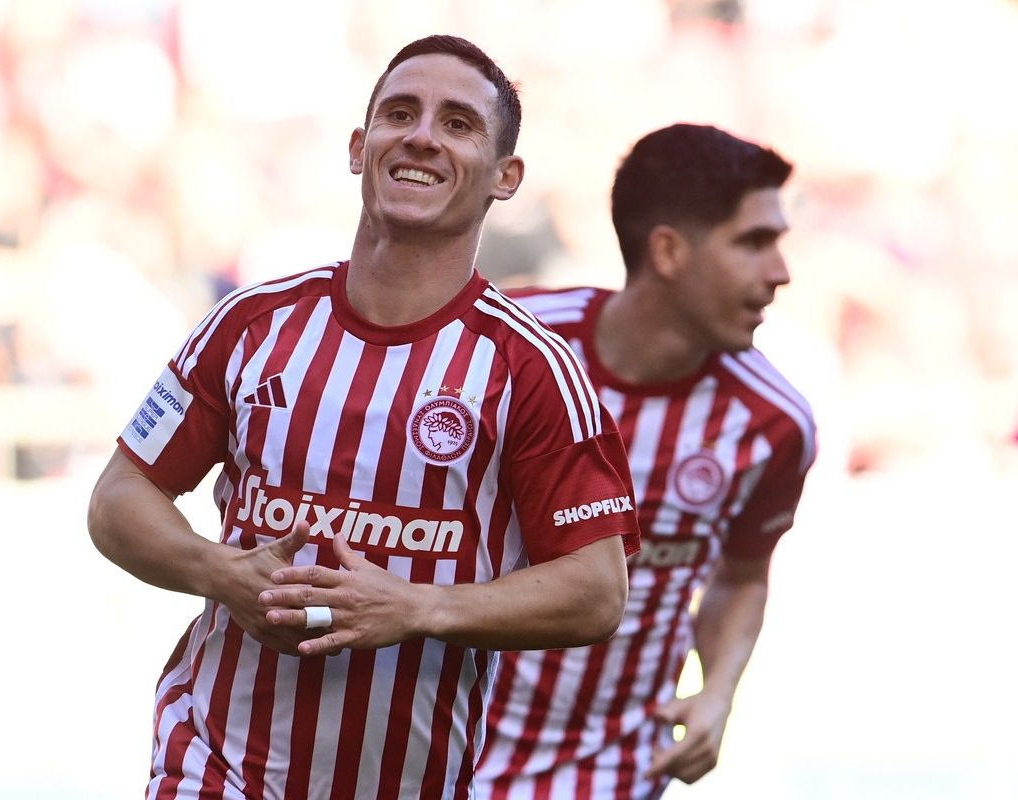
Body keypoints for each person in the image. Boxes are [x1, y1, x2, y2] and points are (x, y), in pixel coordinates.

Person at [86, 35, 641, 800]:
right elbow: (119, 497)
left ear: (505, 177)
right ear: (358, 147)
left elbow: (597, 589)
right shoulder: (250, 325)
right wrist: (222, 573)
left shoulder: (532, 369)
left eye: (458, 124)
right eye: (400, 114)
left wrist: (419, 607)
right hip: (213, 765)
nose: (422, 137)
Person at [476, 123, 817, 799]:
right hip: (445, 734)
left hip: (612, 766)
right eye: (754, 242)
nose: (780, 272)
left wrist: (718, 691)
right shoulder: (509, 344)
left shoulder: (772, 423)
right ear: (668, 251)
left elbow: (742, 576)